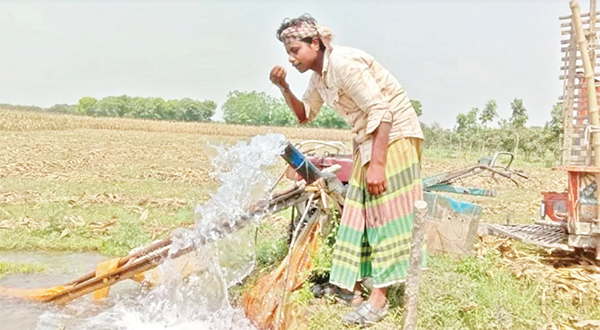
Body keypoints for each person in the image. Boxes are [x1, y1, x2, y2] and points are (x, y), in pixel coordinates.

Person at [269, 14, 425, 327]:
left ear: (315, 44)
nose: (291, 57)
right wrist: (284, 87)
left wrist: (378, 165)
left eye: (295, 50)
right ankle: (353, 287)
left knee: (386, 215)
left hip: (393, 136)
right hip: (367, 140)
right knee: (359, 212)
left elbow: (382, 112)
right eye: (287, 52)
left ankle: (379, 299)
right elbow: (305, 115)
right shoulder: (319, 77)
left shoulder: (343, 64)